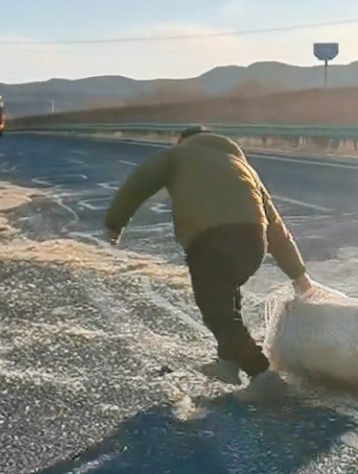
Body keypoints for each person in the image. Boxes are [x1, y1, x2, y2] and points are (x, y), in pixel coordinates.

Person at [103, 125, 314, 402]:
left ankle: (262, 374)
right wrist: (298, 274)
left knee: (218, 311)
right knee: (226, 299)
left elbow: (139, 182)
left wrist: (114, 224)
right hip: (253, 242)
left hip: (210, 241)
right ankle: (227, 363)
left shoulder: (179, 154)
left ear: (184, 140)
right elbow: (275, 224)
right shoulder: (242, 165)